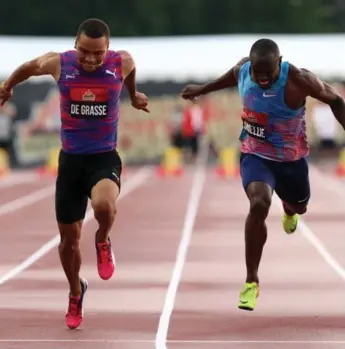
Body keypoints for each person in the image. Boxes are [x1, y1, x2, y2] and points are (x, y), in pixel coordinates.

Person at [0, 18, 149, 329]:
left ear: (108, 49)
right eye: (84, 52)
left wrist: (133, 95)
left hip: (103, 158)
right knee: (68, 242)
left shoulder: (122, 62)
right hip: (70, 163)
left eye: (97, 53)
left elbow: (131, 72)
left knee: (104, 206)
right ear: (75, 45)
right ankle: (75, 291)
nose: (91, 59)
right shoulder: (60, 63)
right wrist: (8, 85)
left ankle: (104, 240)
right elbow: (30, 66)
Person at [180, 38, 345, 311]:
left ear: (280, 63)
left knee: (300, 206)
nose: (263, 78)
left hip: (291, 161)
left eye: (269, 72)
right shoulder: (244, 70)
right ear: (251, 65)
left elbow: (336, 100)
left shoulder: (299, 79)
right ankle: (251, 281)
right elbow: (230, 77)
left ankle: (290, 209)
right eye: (258, 73)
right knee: (258, 204)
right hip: (255, 155)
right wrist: (203, 89)